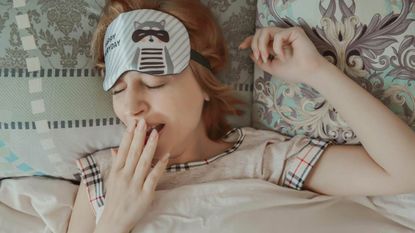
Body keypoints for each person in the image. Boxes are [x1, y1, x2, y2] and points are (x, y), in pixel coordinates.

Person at [67, 0, 415, 232]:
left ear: (205, 84)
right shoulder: (102, 178)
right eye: (117, 89)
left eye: (154, 83)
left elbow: (405, 174)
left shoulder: (264, 159)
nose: (131, 108)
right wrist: (113, 222)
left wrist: (316, 72)